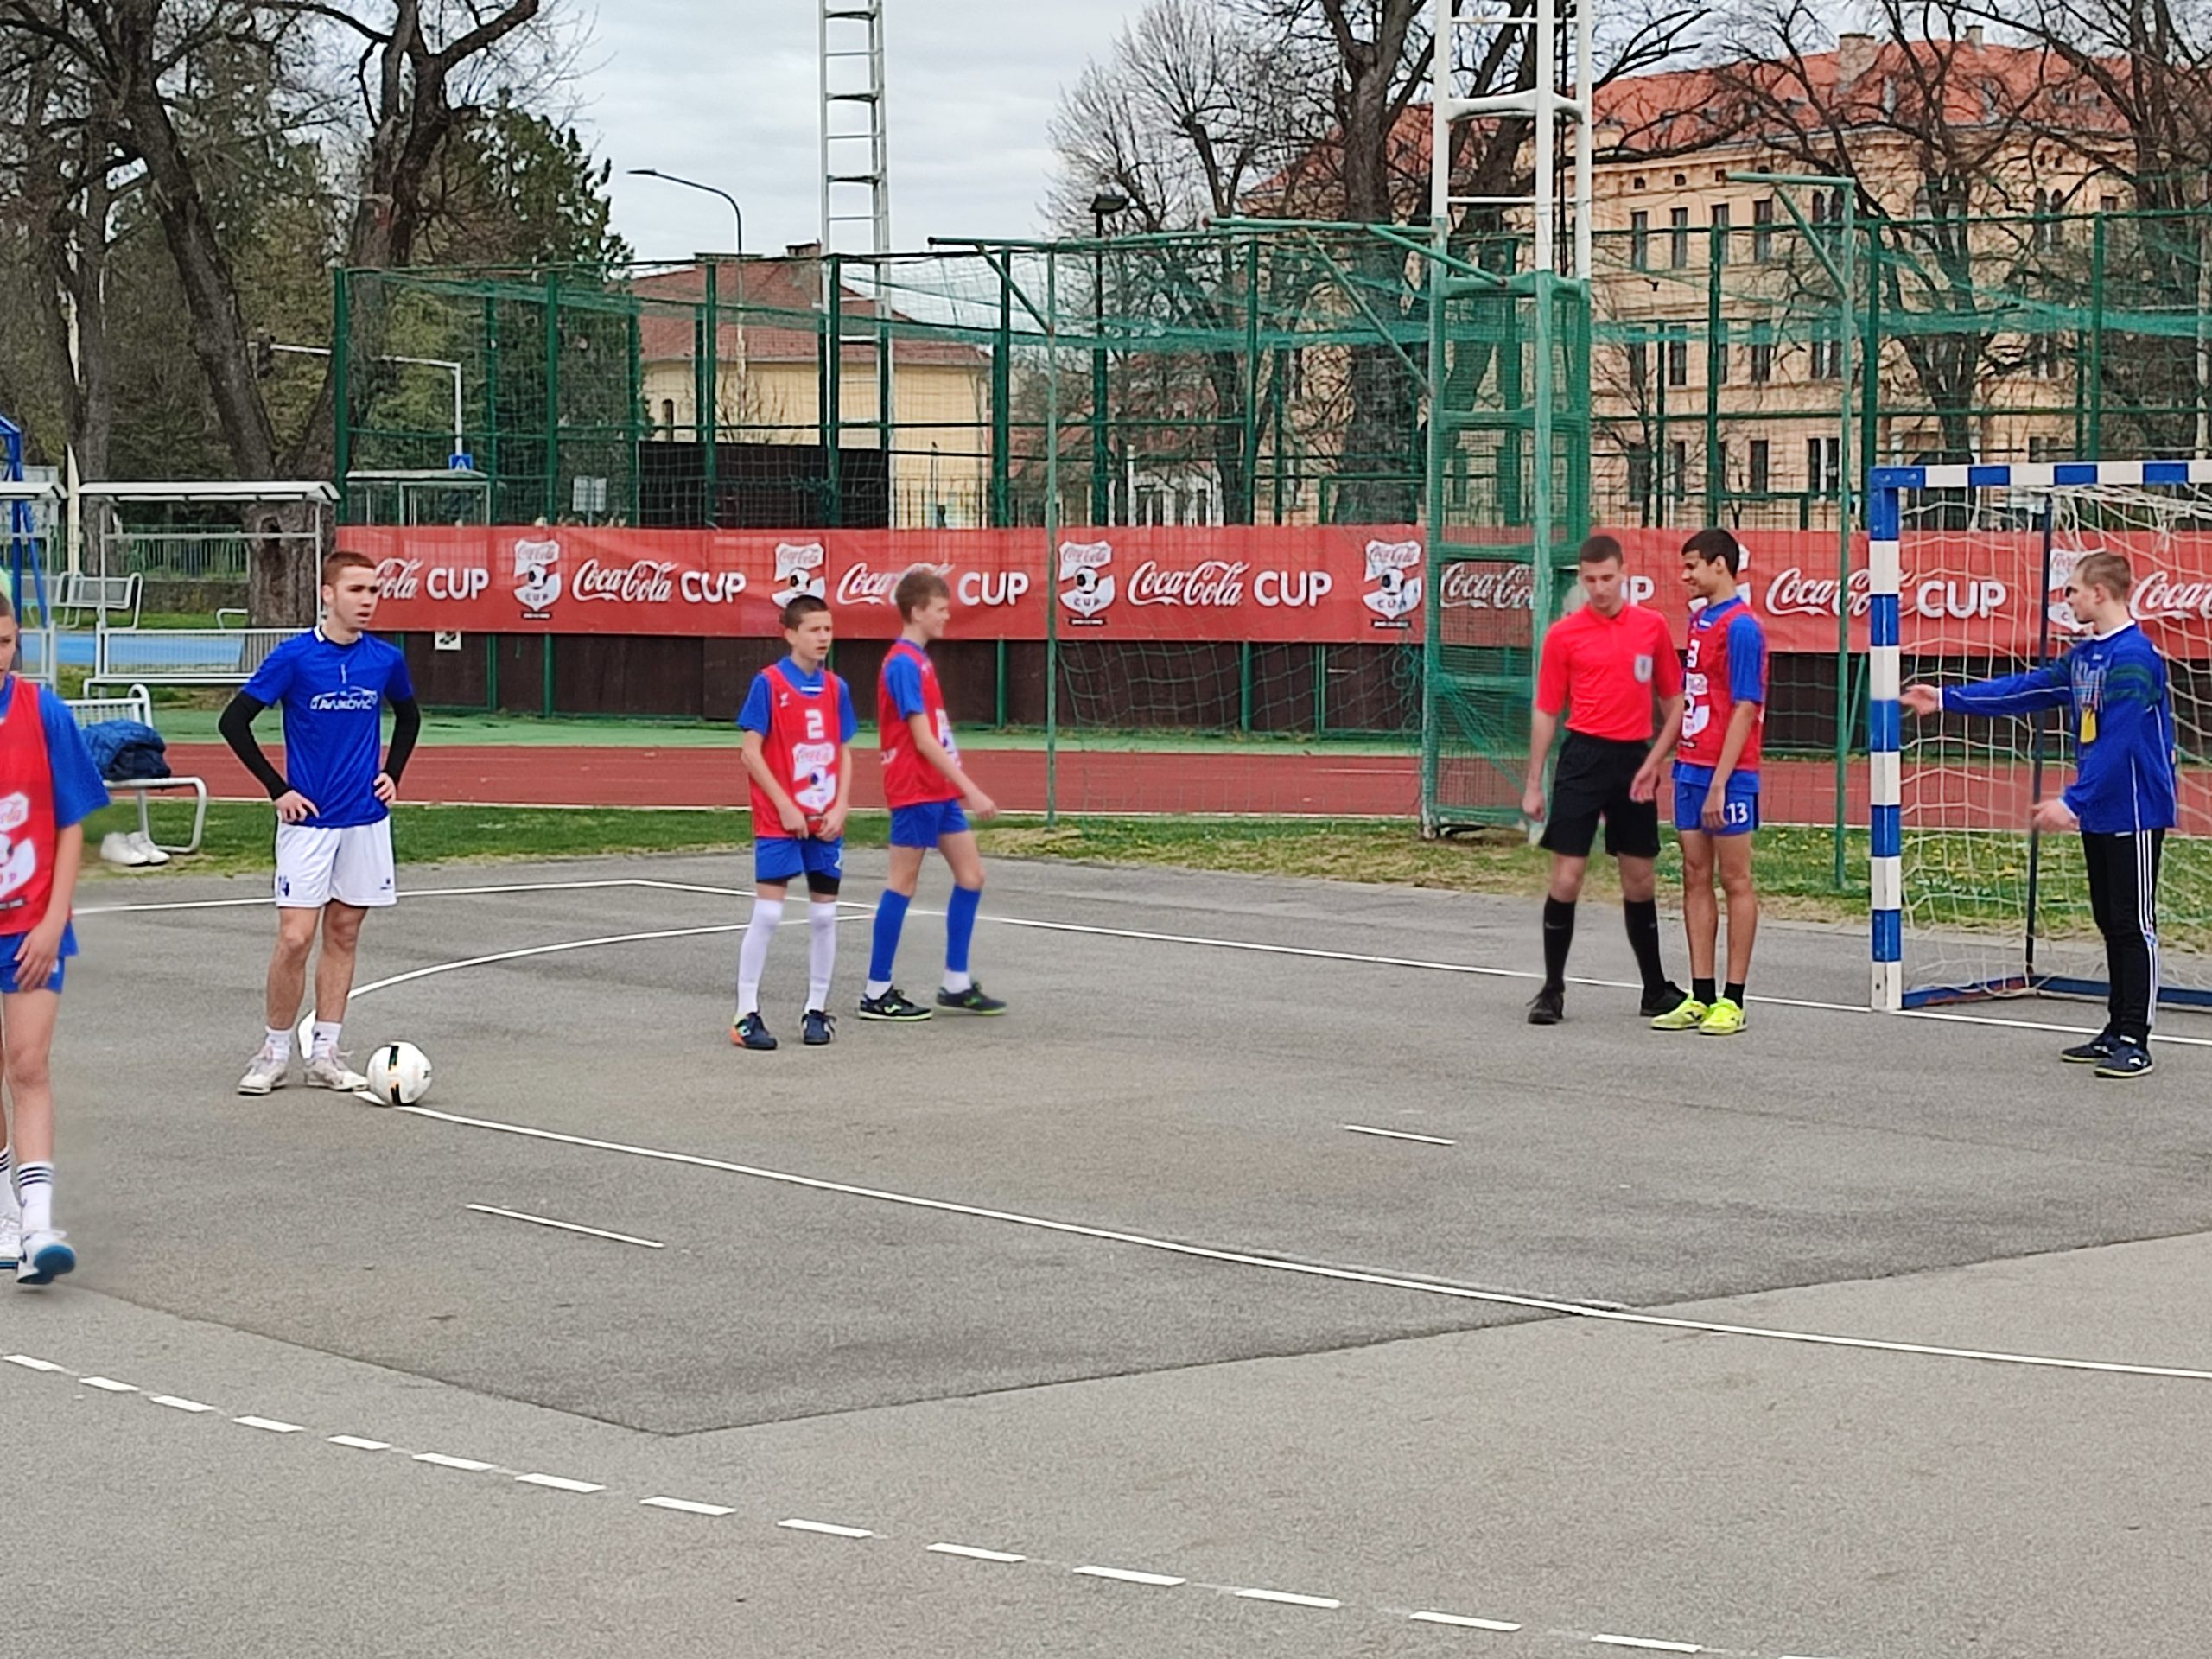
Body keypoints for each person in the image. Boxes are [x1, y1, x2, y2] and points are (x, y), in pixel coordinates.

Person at [1903, 550, 2177, 1079]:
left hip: (2134, 810)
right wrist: (1948, 699)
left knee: (2132, 922)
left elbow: (2119, 741)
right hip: (2099, 809)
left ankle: (2136, 1038)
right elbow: (2025, 690)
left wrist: (2072, 799)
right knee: (2109, 919)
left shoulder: (2135, 658)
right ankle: (2114, 1030)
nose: (2066, 598)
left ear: (2100, 592)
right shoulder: (2083, 658)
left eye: (2073, 589)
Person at [222, 551, 421, 1094]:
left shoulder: (385, 660)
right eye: (357, 590)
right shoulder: (294, 658)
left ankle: (327, 1054)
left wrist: (392, 773)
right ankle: (273, 1051)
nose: (368, 600)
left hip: (364, 820)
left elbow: (409, 715)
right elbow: (234, 720)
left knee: (345, 931)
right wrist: (277, 789)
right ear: (328, 594)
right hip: (309, 822)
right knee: (294, 937)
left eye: (375, 590)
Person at [1522, 535, 1688, 1025]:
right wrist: (1534, 781)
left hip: (1633, 759)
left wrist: (1656, 760)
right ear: (1581, 579)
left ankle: (1654, 988)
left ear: (1624, 573)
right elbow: (1547, 709)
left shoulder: (1651, 627)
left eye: (1608, 578)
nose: (1599, 588)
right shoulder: (1564, 635)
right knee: (1567, 876)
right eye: (1590, 579)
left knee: (1639, 880)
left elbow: (1674, 702)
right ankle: (1552, 989)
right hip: (1583, 758)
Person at [0, 595, 109, 1286]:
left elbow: (72, 821)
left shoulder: (44, 713)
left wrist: (53, 918)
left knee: (28, 1064)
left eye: (6, 640)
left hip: (31, 922)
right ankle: (5, 1213)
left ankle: (39, 1222)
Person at [859, 567, 1006, 1022]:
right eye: (940, 610)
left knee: (972, 875)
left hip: (938, 790)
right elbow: (922, 740)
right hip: (915, 788)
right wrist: (972, 789)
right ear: (918, 610)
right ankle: (876, 989)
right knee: (902, 881)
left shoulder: (920, 660)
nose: (946, 617)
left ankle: (956, 982)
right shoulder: (902, 663)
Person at [1648, 527, 1767, 1037]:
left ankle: (1734, 999)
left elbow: (1745, 708)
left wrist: (1720, 781)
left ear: (1721, 565)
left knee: (1734, 879)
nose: (1685, 576)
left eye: (1693, 565)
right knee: (1694, 875)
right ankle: (1701, 993)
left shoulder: (1742, 627)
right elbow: (1692, 700)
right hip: (1691, 770)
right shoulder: (1700, 622)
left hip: (1729, 775)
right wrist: (1659, 758)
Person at [733, 594, 857, 1050]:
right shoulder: (768, 684)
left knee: (824, 917)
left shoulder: (835, 688)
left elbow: (843, 750)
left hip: (825, 820)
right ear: (790, 634)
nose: (823, 637)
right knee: (768, 912)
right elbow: (751, 752)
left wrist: (842, 804)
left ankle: (816, 1009)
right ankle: (746, 1014)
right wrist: (785, 804)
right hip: (778, 820)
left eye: (828, 629)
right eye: (814, 630)